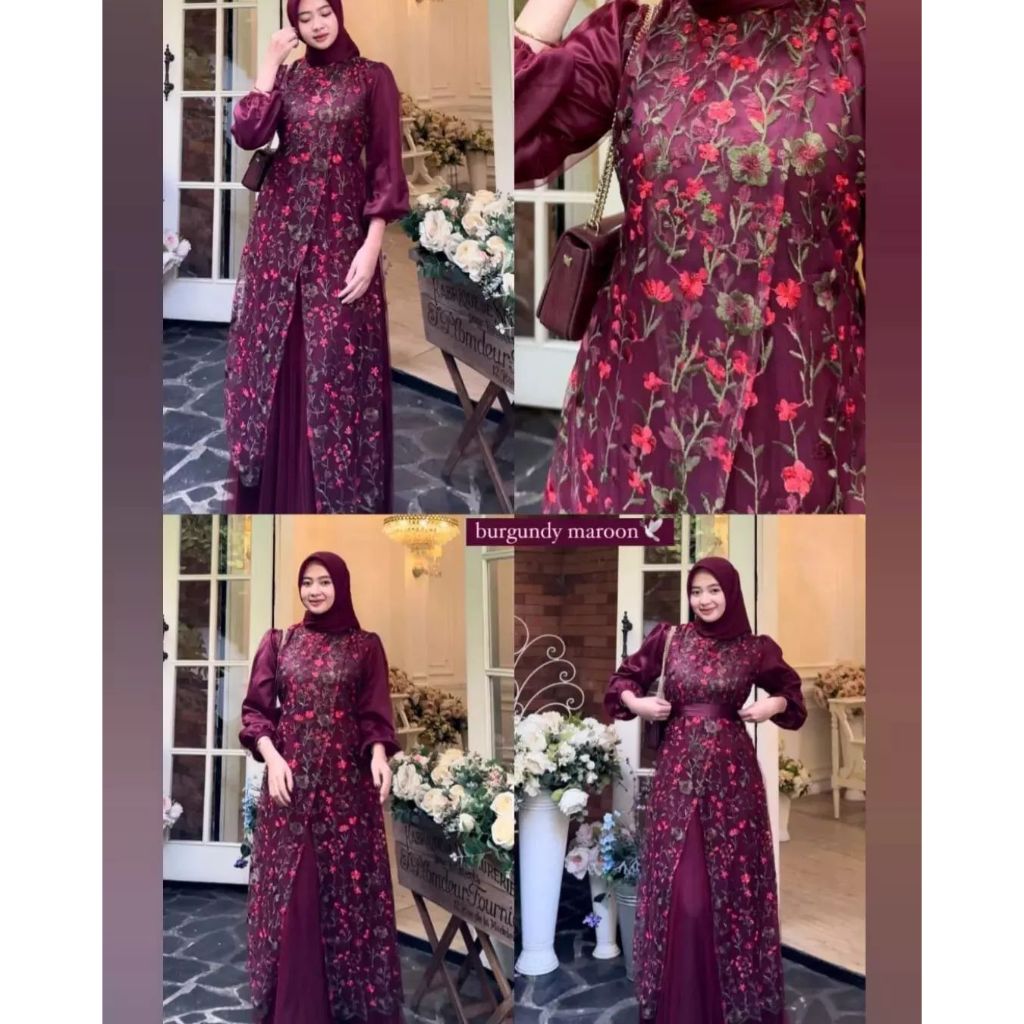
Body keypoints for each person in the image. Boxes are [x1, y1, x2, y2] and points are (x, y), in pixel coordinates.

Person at [515, 0, 866, 514]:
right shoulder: (637, 27)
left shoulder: (858, 36)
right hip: (629, 417)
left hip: (794, 423)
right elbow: (516, 134)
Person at [605, 556, 807, 1023]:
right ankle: (684, 1008)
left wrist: (772, 704)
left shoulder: (755, 649)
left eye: (714, 590)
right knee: (686, 896)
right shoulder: (670, 639)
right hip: (677, 781)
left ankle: (730, 1004)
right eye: (696, 591)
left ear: (731, 592)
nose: (704, 599)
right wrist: (639, 703)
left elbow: (793, 696)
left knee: (732, 889)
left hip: (733, 785)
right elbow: (622, 681)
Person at [226, 0, 409, 514]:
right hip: (277, 243)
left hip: (339, 242)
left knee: (332, 367)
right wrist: (269, 65)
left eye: (324, 12)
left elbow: (386, 167)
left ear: (339, 12)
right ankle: (279, 495)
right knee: (275, 363)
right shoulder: (287, 79)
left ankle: (330, 498)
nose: (317, 25)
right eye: (304, 18)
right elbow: (248, 134)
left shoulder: (373, 78)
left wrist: (372, 246)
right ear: (294, 24)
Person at [239, 552, 404, 1024]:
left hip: (347, 794)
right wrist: (272, 758)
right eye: (307, 582)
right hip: (291, 793)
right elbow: (256, 712)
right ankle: (297, 1011)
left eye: (325, 582)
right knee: (297, 896)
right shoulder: (280, 642)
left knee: (346, 898)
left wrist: (378, 756)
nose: (314, 591)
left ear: (342, 586)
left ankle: (346, 1008)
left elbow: (374, 714)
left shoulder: (365, 647)